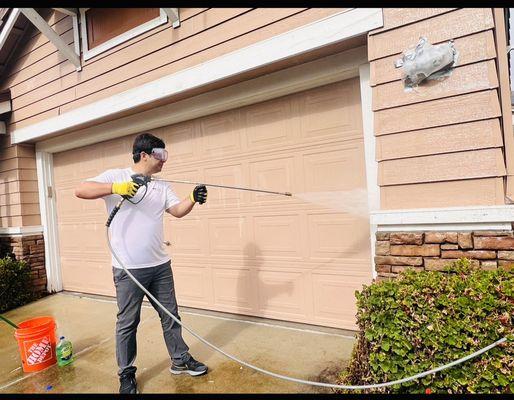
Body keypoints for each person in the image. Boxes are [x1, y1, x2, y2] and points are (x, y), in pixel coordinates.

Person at [75, 132, 209, 394]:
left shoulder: (161, 186)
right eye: (160, 155)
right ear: (144, 155)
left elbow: (177, 211)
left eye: (165, 155)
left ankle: (180, 360)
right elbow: (80, 189)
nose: (164, 161)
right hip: (128, 269)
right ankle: (126, 374)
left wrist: (192, 198)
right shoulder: (116, 176)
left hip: (160, 265)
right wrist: (116, 188)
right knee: (128, 323)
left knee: (170, 316)